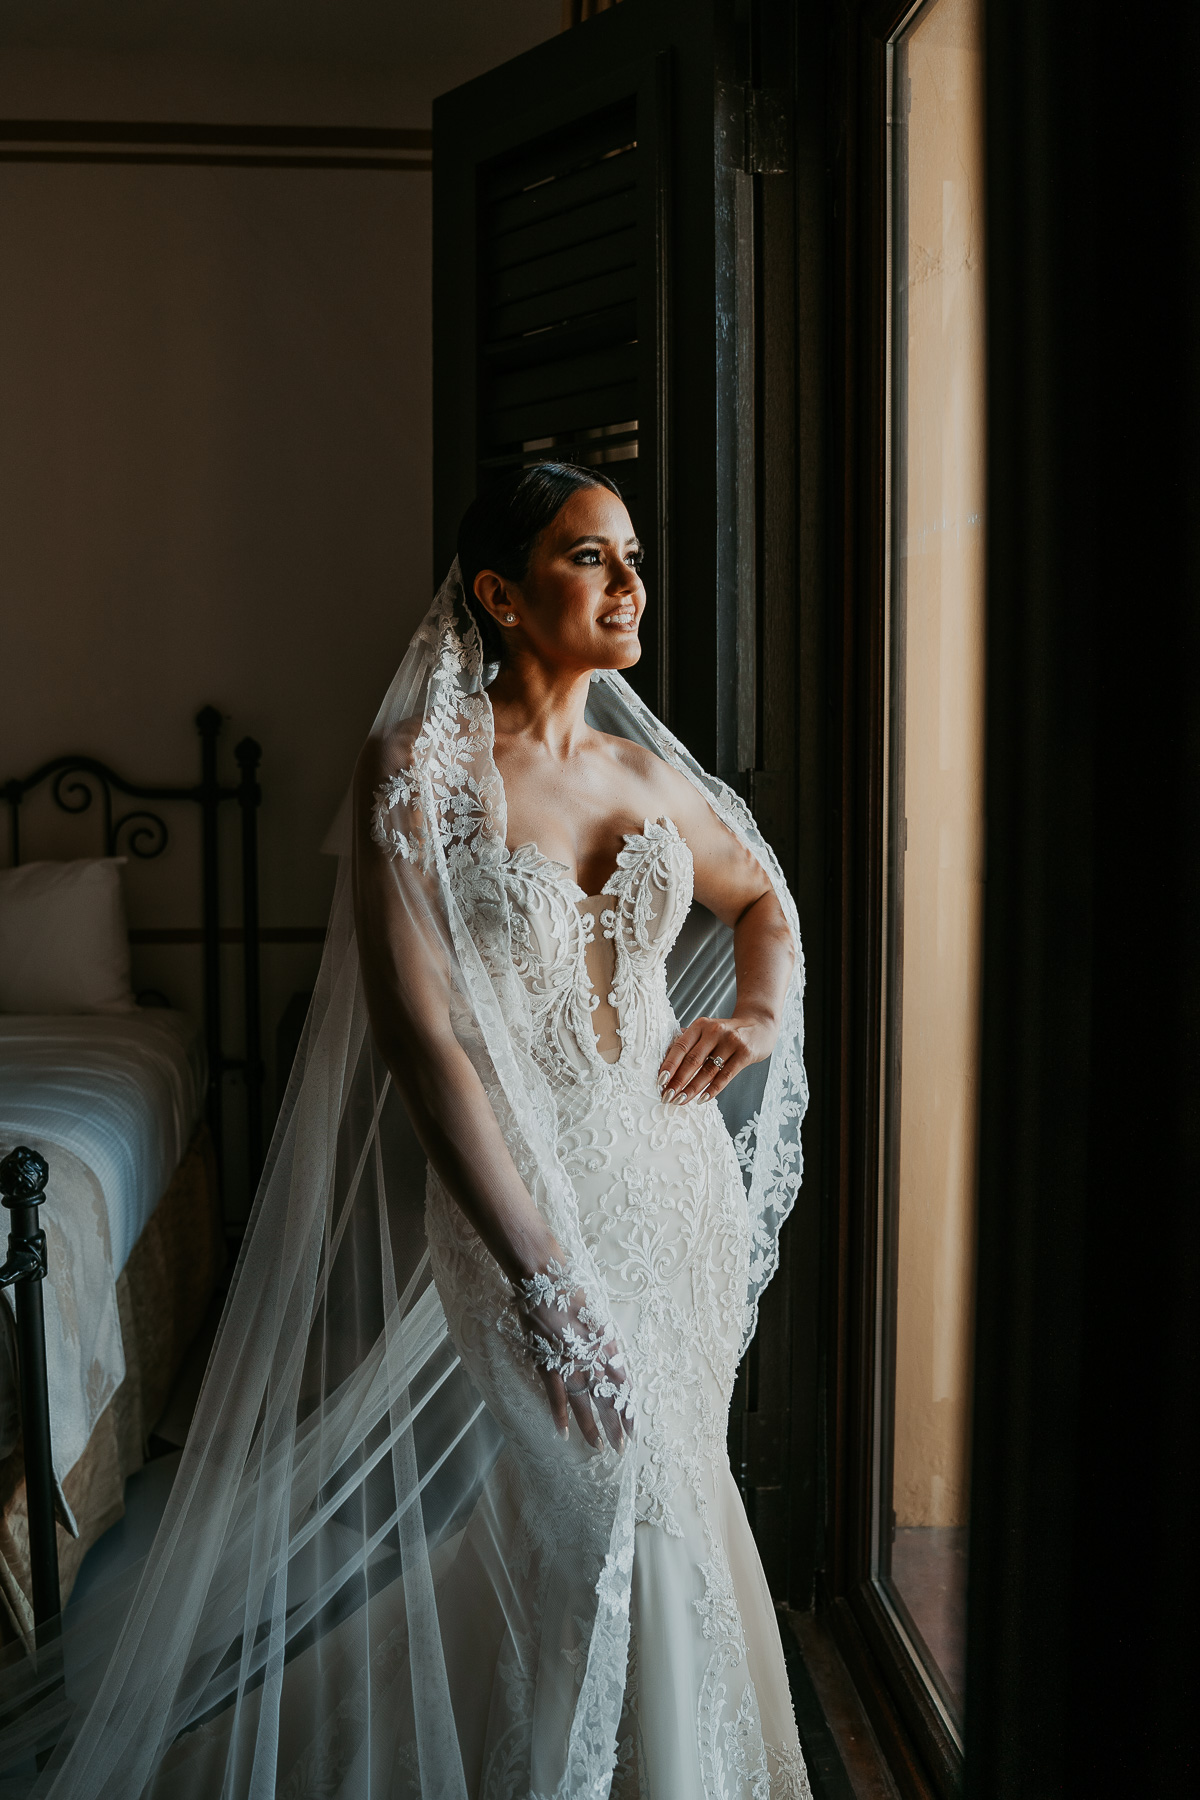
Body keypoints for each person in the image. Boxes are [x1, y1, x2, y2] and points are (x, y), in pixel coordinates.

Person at [10, 464, 809, 1799]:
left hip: (677, 1205)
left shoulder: (646, 773)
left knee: (667, 1510)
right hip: (522, 1216)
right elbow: (421, 1040)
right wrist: (543, 1282)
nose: (630, 585)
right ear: (498, 593)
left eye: (632, 557)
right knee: (618, 1523)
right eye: (589, 558)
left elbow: (762, 899)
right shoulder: (421, 774)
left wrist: (761, 1017)